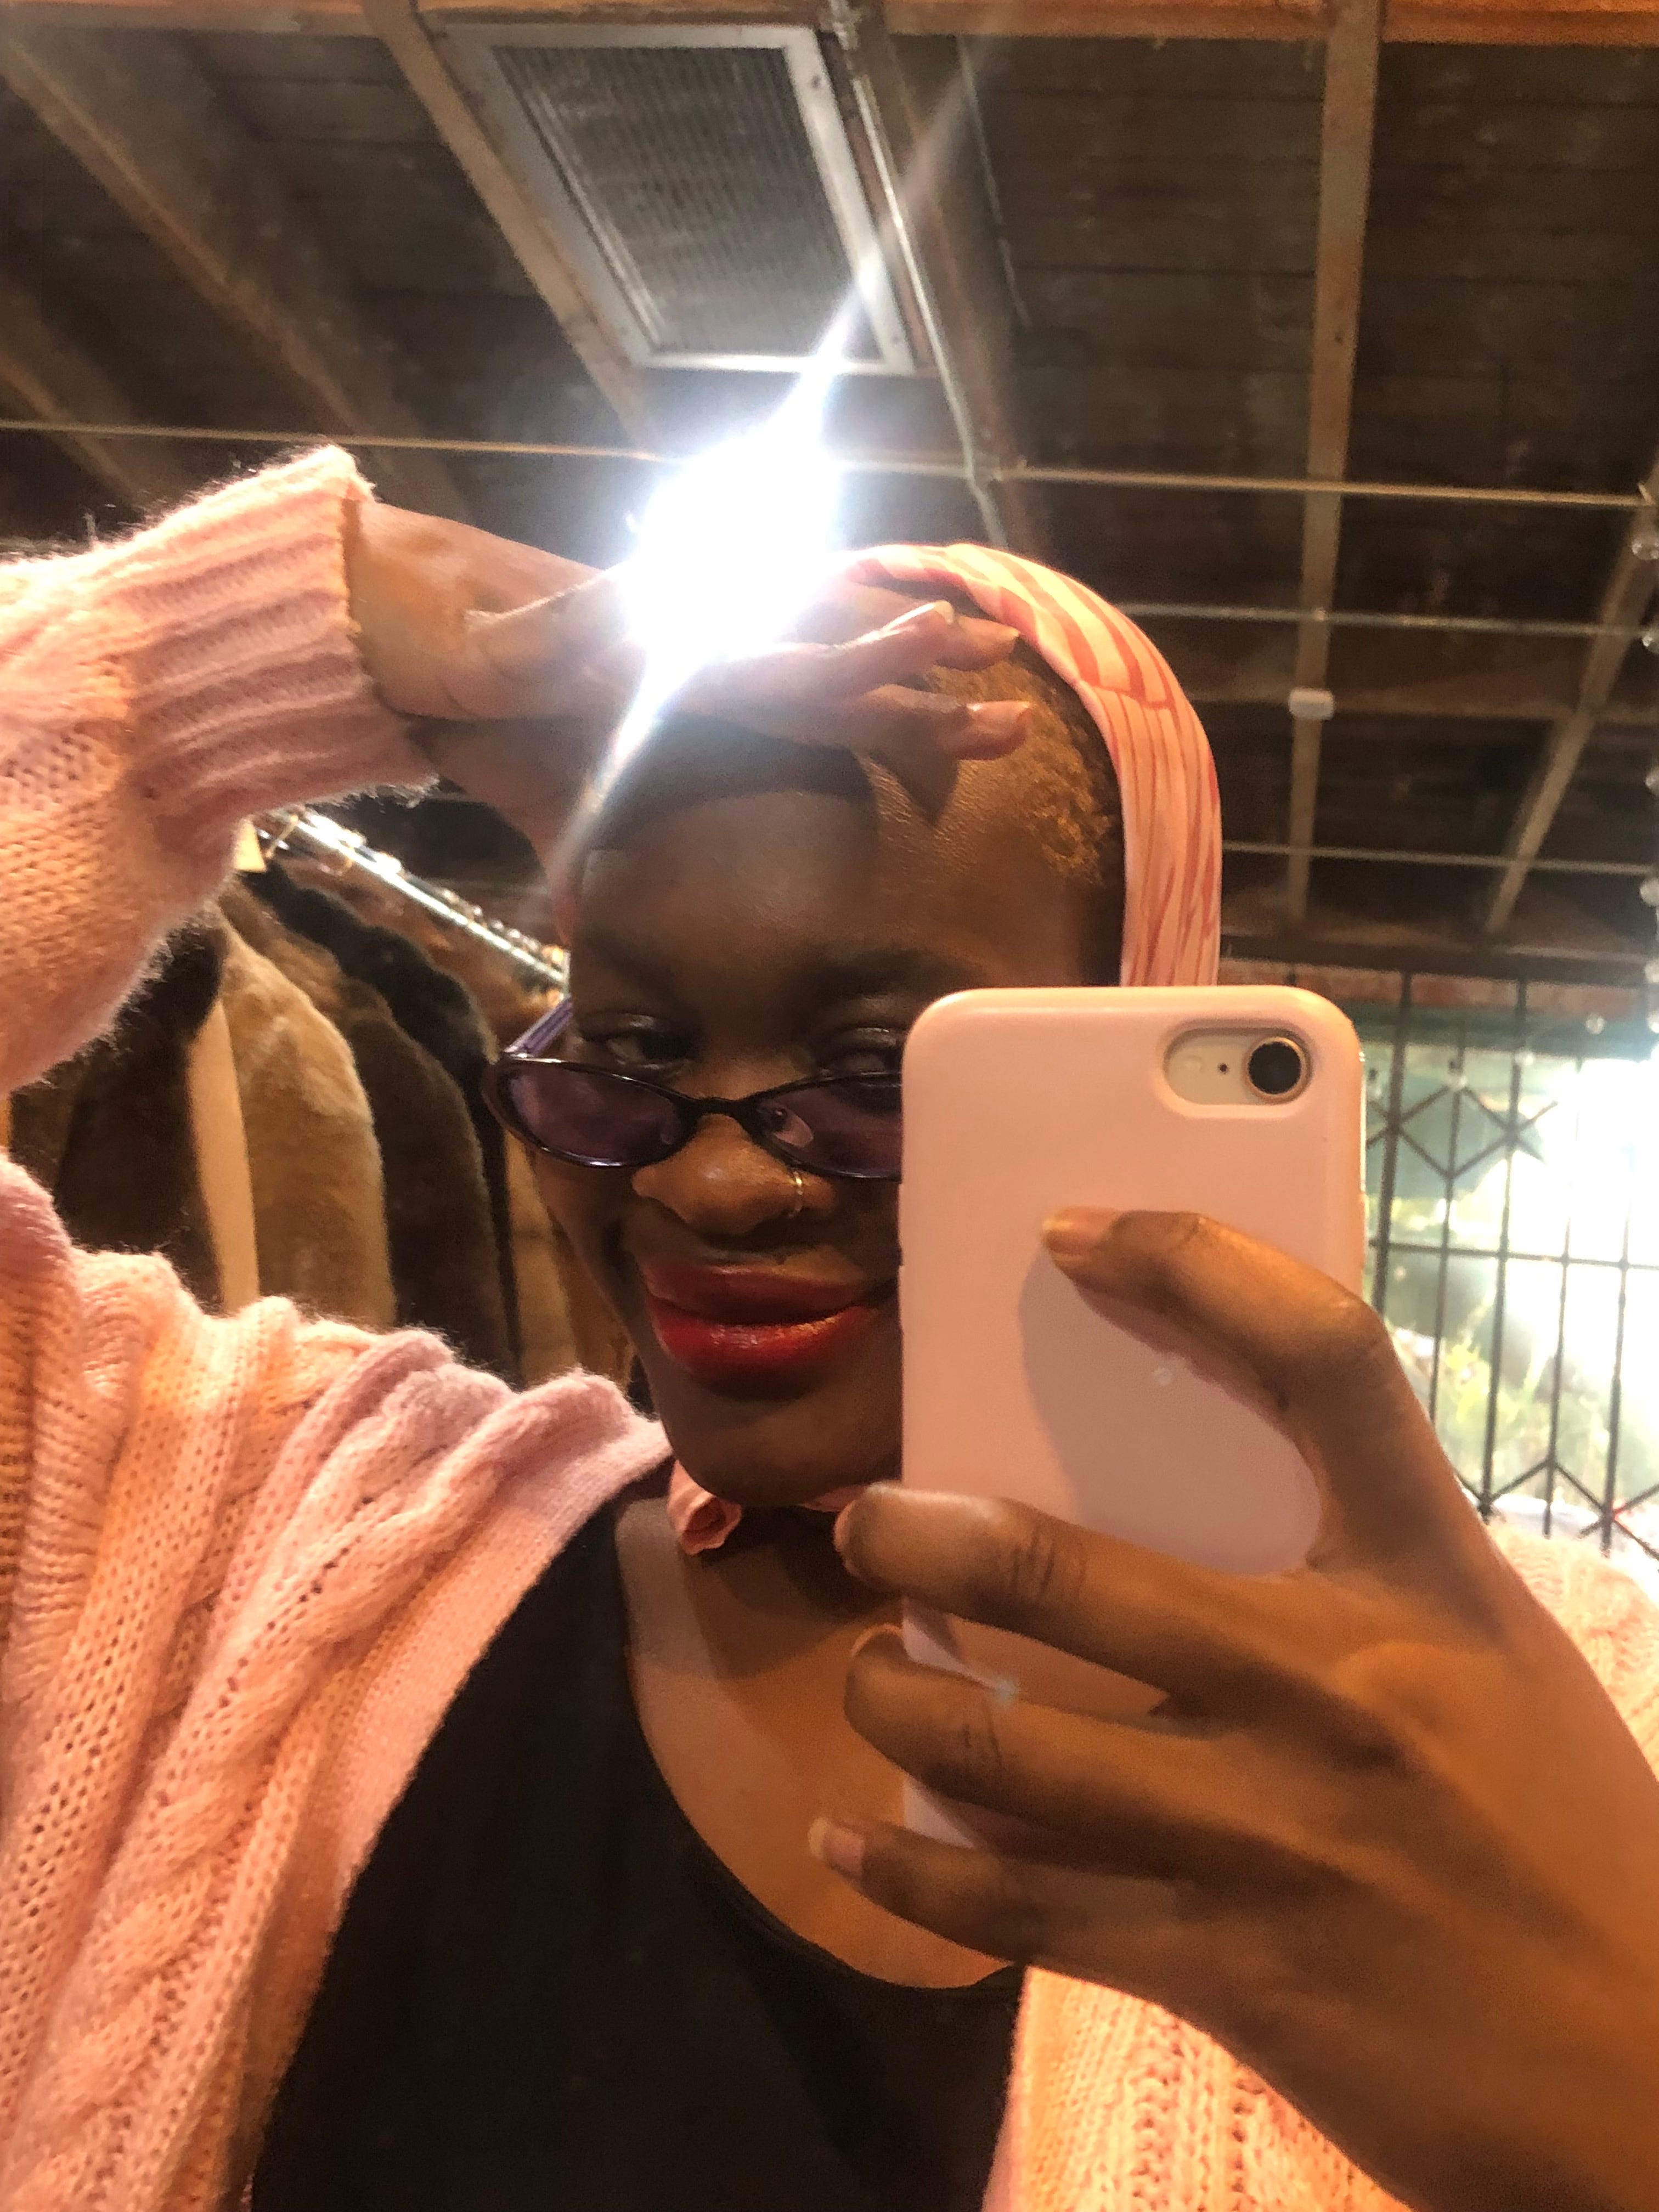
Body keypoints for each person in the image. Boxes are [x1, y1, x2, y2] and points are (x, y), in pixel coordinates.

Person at [2, 449, 1657, 2212]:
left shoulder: (1570, 1717)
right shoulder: (242, 1523)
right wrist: (230, 655)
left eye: (883, 1073)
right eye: (631, 1052)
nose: (713, 1185)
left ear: (1126, 1034)